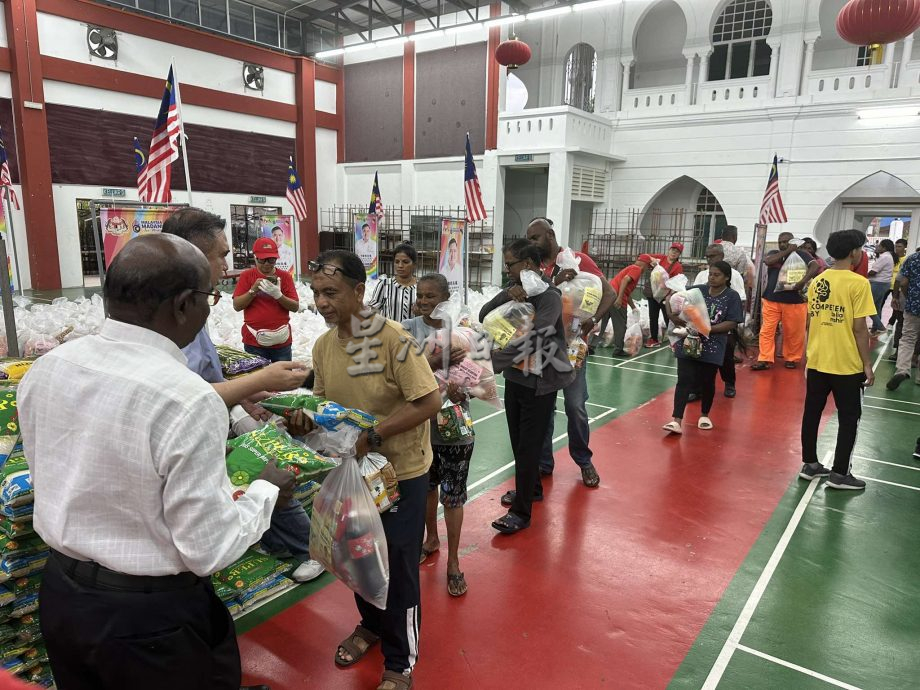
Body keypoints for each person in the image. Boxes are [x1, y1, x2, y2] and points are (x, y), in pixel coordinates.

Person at [19, 234, 294, 690]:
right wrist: (265, 493)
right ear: (185, 304)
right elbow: (208, 547)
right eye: (210, 297)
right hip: (147, 623)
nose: (212, 307)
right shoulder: (185, 399)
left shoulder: (50, 367)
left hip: (64, 597)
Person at [297, 251, 440, 690]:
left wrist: (371, 436)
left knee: (397, 563)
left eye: (331, 293)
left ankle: (400, 659)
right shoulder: (323, 347)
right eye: (317, 292)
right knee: (357, 554)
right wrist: (304, 418)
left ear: (359, 291)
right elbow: (323, 405)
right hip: (353, 473)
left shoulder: (392, 340)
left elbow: (429, 401)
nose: (321, 303)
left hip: (402, 474)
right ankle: (372, 625)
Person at [163, 208, 324, 584]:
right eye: (221, 255)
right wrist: (255, 382)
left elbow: (206, 367)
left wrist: (246, 395)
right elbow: (185, 392)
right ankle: (302, 544)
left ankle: (295, 543)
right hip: (202, 424)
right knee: (260, 476)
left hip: (236, 394)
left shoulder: (197, 307)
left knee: (260, 474)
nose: (226, 263)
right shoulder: (174, 314)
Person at [480, 239, 575, 534]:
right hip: (516, 379)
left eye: (511, 265)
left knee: (529, 446)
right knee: (519, 440)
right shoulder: (514, 292)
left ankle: (521, 513)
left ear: (530, 265)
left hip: (540, 383)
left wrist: (496, 360)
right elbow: (485, 315)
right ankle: (531, 489)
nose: (508, 270)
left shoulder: (549, 297)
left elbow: (540, 337)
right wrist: (506, 296)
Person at [525, 217, 611, 486]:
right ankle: (544, 463)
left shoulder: (578, 259)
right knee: (545, 409)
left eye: (535, 238)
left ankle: (584, 461)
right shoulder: (536, 268)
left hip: (572, 348)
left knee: (575, 407)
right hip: (545, 348)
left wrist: (593, 319)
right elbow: (530, 304)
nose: (532, 244)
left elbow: (609, 293)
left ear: (550, 236)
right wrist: (553, 280)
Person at [402, 274, 472, 597]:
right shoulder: (407, 329)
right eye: (420, 295)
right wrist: (431, 362)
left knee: (453, 494)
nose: (423, 301)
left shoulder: (462, 329)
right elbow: (400, 373)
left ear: (446, 298)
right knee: (427, 487)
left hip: (455, 427)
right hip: (421, 426)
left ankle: (454, 562)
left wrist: (463, 389)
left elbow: (478, 373)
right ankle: (431, 538)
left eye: (431, 296)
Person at [799, 229, 876, 490]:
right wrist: (867, 364)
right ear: (854, 252)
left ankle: (809, 464)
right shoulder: (858, 283)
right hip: (846, 365)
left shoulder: (818, 280)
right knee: (848, 417)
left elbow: (810, 321)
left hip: (818, 360)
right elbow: (860, 328)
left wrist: (808, 356)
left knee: (812, 412)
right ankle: (840, 474)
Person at [662, 260, 742, 434]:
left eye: (716, 275)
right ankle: (676, 420)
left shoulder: (732, 296)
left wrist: (707, 329)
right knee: (684, 379)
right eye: (710, 274)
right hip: (690, 341)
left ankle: (704, 415)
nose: (712, 278)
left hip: (713, 345)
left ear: (726, 277)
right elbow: (671, 300)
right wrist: (672, 315)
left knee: (707, 381)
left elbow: (732, 322)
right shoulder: (697, 290)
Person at [752, 232, 819, 371]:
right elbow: (768, 261)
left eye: (786, 242)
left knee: (794, 332)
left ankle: (792, 358)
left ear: (793, 241)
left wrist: (803, 281)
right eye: (780, 242)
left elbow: (815, 266)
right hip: (771, 299)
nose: (782, 244)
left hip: (795, 301)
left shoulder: (803, 255)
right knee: (767, 331)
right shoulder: (775, 253)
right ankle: (764, 358)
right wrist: (788, 250)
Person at [693, 244, 747, 398]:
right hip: (701, 327)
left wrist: (732, 321)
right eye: (707, 256)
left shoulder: (734, 275)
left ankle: (729, 383)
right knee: (699, 358)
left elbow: (740, 298)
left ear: (722, 256)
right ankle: (698, 389)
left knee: (725, 359)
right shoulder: (702, 275)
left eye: (713, 256)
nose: (709, 259)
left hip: (724, 328)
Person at [232, 238, 299, 362]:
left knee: (282, 379)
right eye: (262, 260)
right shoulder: (247, 276)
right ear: (255, 257)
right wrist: (253, 290)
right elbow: (237, 306)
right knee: (258, 379)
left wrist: (278, 295)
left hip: (281, 341)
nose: (267, 264)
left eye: (271, 260)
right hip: (253, 341)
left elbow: (295, 307)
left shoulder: (284, 277)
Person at [599, 254, 657, 356]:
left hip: (608, 297)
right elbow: (625, 280)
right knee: (620, 326)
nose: (647, 270)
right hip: (617, 299)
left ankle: (590, 346)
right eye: (648, 267)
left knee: (602, 324)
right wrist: (619, 298)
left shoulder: (630, 268)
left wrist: (633, 307)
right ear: (645, 264)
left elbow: (626, 290)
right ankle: (618, 350)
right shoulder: (637, 269)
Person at [886, 245, 920, 390]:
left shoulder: (913, 258)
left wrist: (909, 297)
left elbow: (903, 282)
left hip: (914, 306)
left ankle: (902, 370)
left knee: (907, 339)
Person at [645, 242, 684, 348]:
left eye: (677, 252)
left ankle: (674, 341)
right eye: (672, 250)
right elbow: (644, 257)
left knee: (669, 317)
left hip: (666, 296)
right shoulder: (660, 259)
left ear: (679, 254)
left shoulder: (677, 266)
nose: (674, 253)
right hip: (653, 293)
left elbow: (677, 282)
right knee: (653, 317)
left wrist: (669, 296)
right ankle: (654, 339)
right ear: (669, 250)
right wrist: (652, 261)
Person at [369, 242, 418, 322]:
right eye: (397, 262)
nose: (400, 266)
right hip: (390, 334)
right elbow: (374, 312)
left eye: (405, 262)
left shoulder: (420, 287)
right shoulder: (384, 285)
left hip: (414, 334)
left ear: (414, 264)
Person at [716, 225, 755, 302]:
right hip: (730, 291)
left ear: (722, 236)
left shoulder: (713, 248)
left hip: (712, 287)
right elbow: (740, 276)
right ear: (735, 237)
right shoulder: (740, 253)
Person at [867, 239, 896, 336]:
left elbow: (874, 271)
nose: (877, 247)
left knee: (868, 307)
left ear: (884, 247)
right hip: (883, 284)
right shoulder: (888, 256)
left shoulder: (885, 257)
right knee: (876, 307)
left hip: (878, 284)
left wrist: (863, 275)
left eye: (879, 246)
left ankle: (880, 327)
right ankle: (875, 328)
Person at [888, 238, 909, 359]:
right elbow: (899, 281)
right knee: (901, 324)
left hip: (905, 296)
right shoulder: (894, 258)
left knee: (903, 325)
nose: (897, 248)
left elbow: (900, 280)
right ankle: (899, 352)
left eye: (899, 246)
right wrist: (896, 296)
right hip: (902, 296)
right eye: (896, 246)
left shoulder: (909, 259)